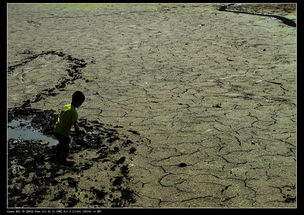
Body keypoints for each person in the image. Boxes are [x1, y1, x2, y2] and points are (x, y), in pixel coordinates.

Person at [53, 91, 85, 162]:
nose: (81, 104)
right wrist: (78, 133)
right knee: (67, 142)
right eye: (81, 103)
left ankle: (57, 151)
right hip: (62, 132)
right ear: (79, 102)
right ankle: (61, 159)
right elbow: (75, 125)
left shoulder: (66, 106)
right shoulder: (74, 112)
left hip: (56, 129)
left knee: (62, 142)